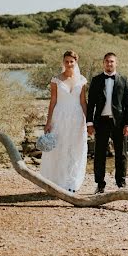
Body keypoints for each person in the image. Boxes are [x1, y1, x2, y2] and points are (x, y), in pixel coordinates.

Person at [86, 52, 128, 194]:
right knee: (99, 154)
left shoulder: (124, 80)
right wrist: (89, 123)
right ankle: (100, 184)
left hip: (119, 123)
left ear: (116, 63)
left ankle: (121, 183)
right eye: (107, 61)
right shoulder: (96, 80)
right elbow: (91, 104)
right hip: (101, 122)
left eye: (112, 61)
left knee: (121, 154)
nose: (109, 64)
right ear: (103, 63)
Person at [41, 51, 88, 193]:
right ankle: (56, 181)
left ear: (76, 62)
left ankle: (71, 182)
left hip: (77, 118)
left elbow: (83, 102)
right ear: (63, 62)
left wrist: (88, 122)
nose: (69, 64)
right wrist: (48, 121)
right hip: (60, 116)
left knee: (75, 148)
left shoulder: (82, 80)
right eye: (66, 61)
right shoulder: (56, 80)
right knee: (59, 148)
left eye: (71, 61)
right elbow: (53, 101)